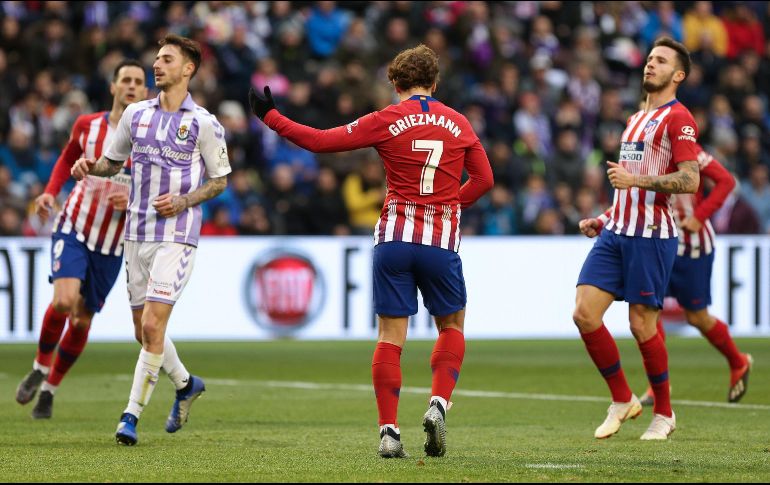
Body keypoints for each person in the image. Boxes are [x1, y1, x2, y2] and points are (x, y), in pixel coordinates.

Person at [249, 44, 493, 458]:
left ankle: (389, 432)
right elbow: (485, 180)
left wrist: (271, 117)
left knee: (390, 336)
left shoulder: (386, 119)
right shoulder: (459, 123)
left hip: (394, 239)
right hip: (440, 242)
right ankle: (437, 404)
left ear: (395, 83)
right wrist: (449, 205)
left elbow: (320, 141)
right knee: (451, 326)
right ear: (435, 83)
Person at [70, 34, 231, 446]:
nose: (156, 65)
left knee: (153, 324)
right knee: (143, 333)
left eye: (166, 59)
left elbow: (219, 181)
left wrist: (183, 201)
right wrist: (89, 166)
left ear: (188, 69)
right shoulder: (136, 114)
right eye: (156, 58)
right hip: (135, 233)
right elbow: (112, 163)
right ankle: (186, 383)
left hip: (176, 236)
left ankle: (130, 416)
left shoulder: (204, 123)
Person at [573, 37, 701, 441]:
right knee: (584, 313)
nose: (650, 65)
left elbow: (690, 179)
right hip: (616, 232)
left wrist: (636, 180)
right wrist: (604, 218)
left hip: (651, 235)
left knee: (642, 325)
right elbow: (626, 189)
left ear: (677, 75)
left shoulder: (678, 119)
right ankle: (622, 398)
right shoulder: (634, 119)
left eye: (660, 61)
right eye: (649, 59)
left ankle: (663, 413)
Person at [15, 59, 147, 419]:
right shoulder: (88, 125)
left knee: (82, 320)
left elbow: (158, 190)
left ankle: (50, 390)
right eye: (125, 80)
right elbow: (66, 158)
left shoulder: (150, 141)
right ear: (113, 87)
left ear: (145, 91)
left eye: (138, 81)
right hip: (75, 226)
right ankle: (40, 367)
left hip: (113, 244)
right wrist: (50, 191)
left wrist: (133, 201)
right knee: (64, 301)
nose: (131, 86)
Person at [640, 145, 752, 405]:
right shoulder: (644, 152)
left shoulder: (687, 149)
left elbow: (726, 181)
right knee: (648, 310)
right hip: (660, 241)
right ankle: (658, 386)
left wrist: (699, 217)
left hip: (693, 247)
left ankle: (738, 361)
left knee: (697, 317)